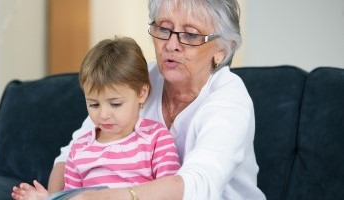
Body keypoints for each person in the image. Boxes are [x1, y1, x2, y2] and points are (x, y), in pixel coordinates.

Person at [47, 0, 267, 199]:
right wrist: (54, 198)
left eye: (190, 34)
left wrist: (110, 197)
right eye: (164, 28)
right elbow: (71, 154)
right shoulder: (139, 79)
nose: (171, 45)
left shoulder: (229, 98)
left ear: (221, 50)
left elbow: (200, 184)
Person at [11, 36, 181, 200]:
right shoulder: (79, 149)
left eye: (115, 104)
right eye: (94, 105)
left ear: (142, 94)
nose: (103, 115)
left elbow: (169, 193)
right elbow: (72, 196)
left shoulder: (156, 138)